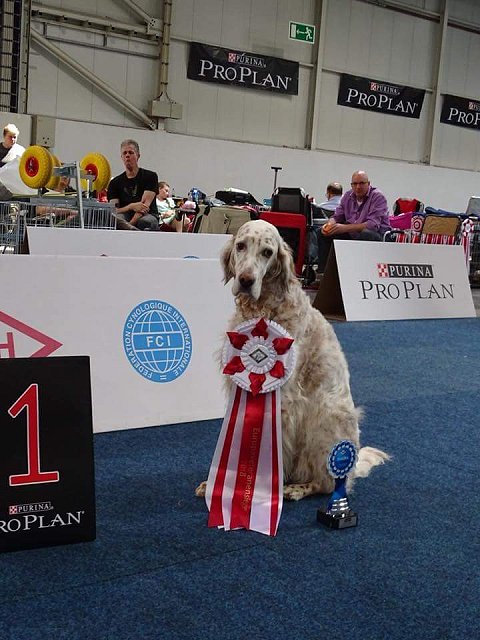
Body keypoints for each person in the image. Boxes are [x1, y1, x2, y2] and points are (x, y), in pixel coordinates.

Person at [316, 170, 391, 272]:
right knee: (323, 233)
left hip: (378, 237)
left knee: (366, 234)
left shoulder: (378, 197)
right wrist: (329, 225)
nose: (358, 187)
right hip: (353, 234)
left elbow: (372, 225)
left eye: (362, 183)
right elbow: (337, 216)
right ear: (351, 185)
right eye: (355, 184)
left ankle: (359, 271)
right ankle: (325, 273)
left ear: (368, 184)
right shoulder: (347, 196)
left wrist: (344, 228)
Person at [107, 139, 159, 231]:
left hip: (147, 215)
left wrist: (129, 226)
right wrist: (130, 207)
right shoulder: (114, 182)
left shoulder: (150, 176)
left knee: (145, 222)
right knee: (114, 219)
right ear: (121, 157)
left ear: (138, 156)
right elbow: (114, 210)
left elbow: (144, 207)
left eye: (131, 152)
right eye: (124, 153)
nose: (127, 155)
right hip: (125, 215)